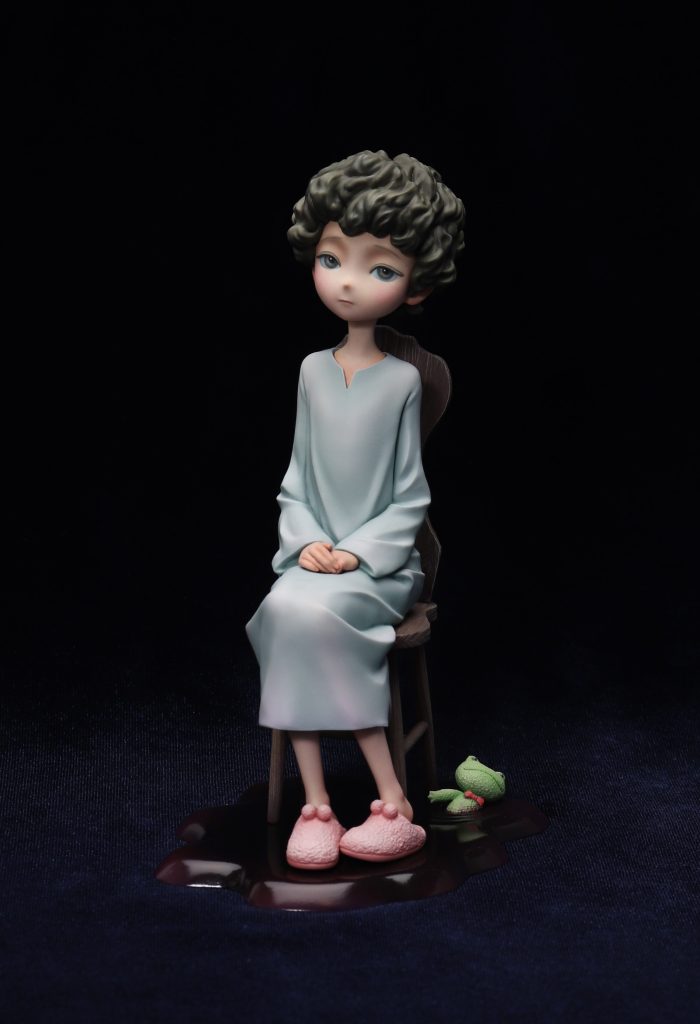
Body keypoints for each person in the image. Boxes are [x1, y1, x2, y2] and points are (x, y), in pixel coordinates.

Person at [246, 150, 465, 869]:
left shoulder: (402, 382)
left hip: (382, 566)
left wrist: (358, 553)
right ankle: (316, 806)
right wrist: (307, 539)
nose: (347, 282)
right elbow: (297, 477)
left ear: (415, 285)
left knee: (312, 616)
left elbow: (409, 494)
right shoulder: (312, 370)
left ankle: (393, 805)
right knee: (284, 609)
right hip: (314, 560)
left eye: (380, 269)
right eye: (332, 259)